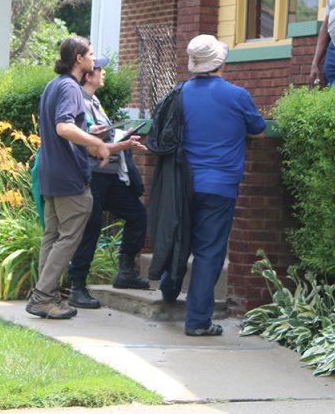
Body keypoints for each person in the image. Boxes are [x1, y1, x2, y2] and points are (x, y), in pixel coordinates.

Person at [159, 34, 266, 337]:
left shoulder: (178, 94)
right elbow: (259, 131)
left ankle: (168, 290)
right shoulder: (237, 95)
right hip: (220, 186)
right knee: (208, 252)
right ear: (220, 62)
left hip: (183, 183)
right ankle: (197, 321)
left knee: (180, 237)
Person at [27, 35, 111, 320]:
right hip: (68, 178)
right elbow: (63, 127)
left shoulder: (53, 86)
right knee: (68, 239)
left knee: (51, 237)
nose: (93, 59)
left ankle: (47, 296)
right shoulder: (71, 88)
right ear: (79, 59)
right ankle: (42, 297)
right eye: (91, 54)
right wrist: (95, 143)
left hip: (50, 175)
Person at [66, 57, 150, 310]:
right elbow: (89, 143)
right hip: (93, 175)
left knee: (137, 215)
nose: (103, 73)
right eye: (99, 69)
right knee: (90, 228)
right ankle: (77, 286)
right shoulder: (79, 100)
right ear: (88, 76)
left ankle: (125, 272)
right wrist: (119, 142)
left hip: (110, 175)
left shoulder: (95, 101)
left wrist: (120, 136)